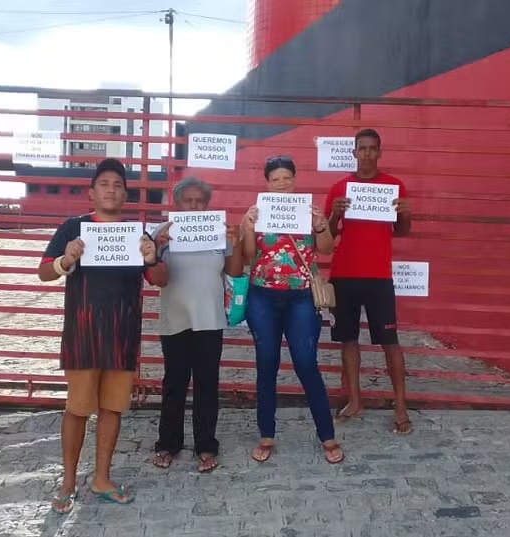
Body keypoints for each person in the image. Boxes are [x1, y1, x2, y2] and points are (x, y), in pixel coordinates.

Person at [37, 157, 167, 513]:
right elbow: (43, 272)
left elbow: (161, 280)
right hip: (82, 336)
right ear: (91, 192)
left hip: (122, 336)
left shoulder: (136, 234)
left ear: (125, 194)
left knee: (113, 408)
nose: (111, 190)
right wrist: (66, 260)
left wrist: (152, 258)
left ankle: (102, 478)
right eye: (104, 184)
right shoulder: (73, 228)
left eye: (118, 185)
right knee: (77, 409)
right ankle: (68, 481)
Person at [239, 156, 344, 465]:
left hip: (302, 297)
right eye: (276, 179)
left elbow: (327, 249)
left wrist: (321, 225)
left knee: (306, 363)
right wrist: (247, 227)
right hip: (262, 296)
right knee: (266, 363)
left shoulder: (308, 211)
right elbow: (247, 255)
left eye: (287, 178)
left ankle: (327, 434)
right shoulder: (257, 212)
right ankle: (266, 434)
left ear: (295, 179)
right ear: (267, 183)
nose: (282, 183)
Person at [150, 177, 244, 473]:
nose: (194, 205)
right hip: (175, 317)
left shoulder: (219, 232)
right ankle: (168, 444)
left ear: (207, 204)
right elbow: (155, 278)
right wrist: (157, 247)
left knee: (207, 383)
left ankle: (206, 446)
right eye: (187, 201)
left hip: (210, 318)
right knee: (174, 383)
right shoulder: (161, 232)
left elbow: (235, 271)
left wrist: (236, 244)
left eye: (199, 201)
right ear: (176, 204)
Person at [325, 128, 414, 435]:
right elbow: (327, 236)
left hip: (379, 276)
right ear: (354, 152)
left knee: (390, 341)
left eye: (372, 148)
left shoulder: (394, 186)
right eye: (361, 148)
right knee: (348, 340)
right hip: (344, 274)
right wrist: (334, 215)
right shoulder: (339, 188)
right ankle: (355, 400)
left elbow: (402, 231)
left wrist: (405, 214)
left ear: (379, 152)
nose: (366, 153)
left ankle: (400, 406)